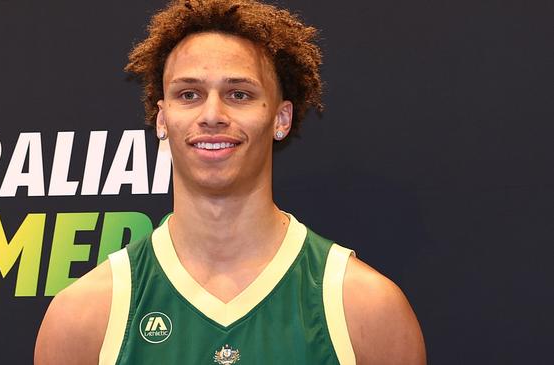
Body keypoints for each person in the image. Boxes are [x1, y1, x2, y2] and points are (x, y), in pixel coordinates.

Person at [35, 0, 426, 364]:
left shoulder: (365, 309)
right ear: (162, 118)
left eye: (238, 94)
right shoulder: (85, 318)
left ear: (280, 119)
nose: (212, 114)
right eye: (189, 94)